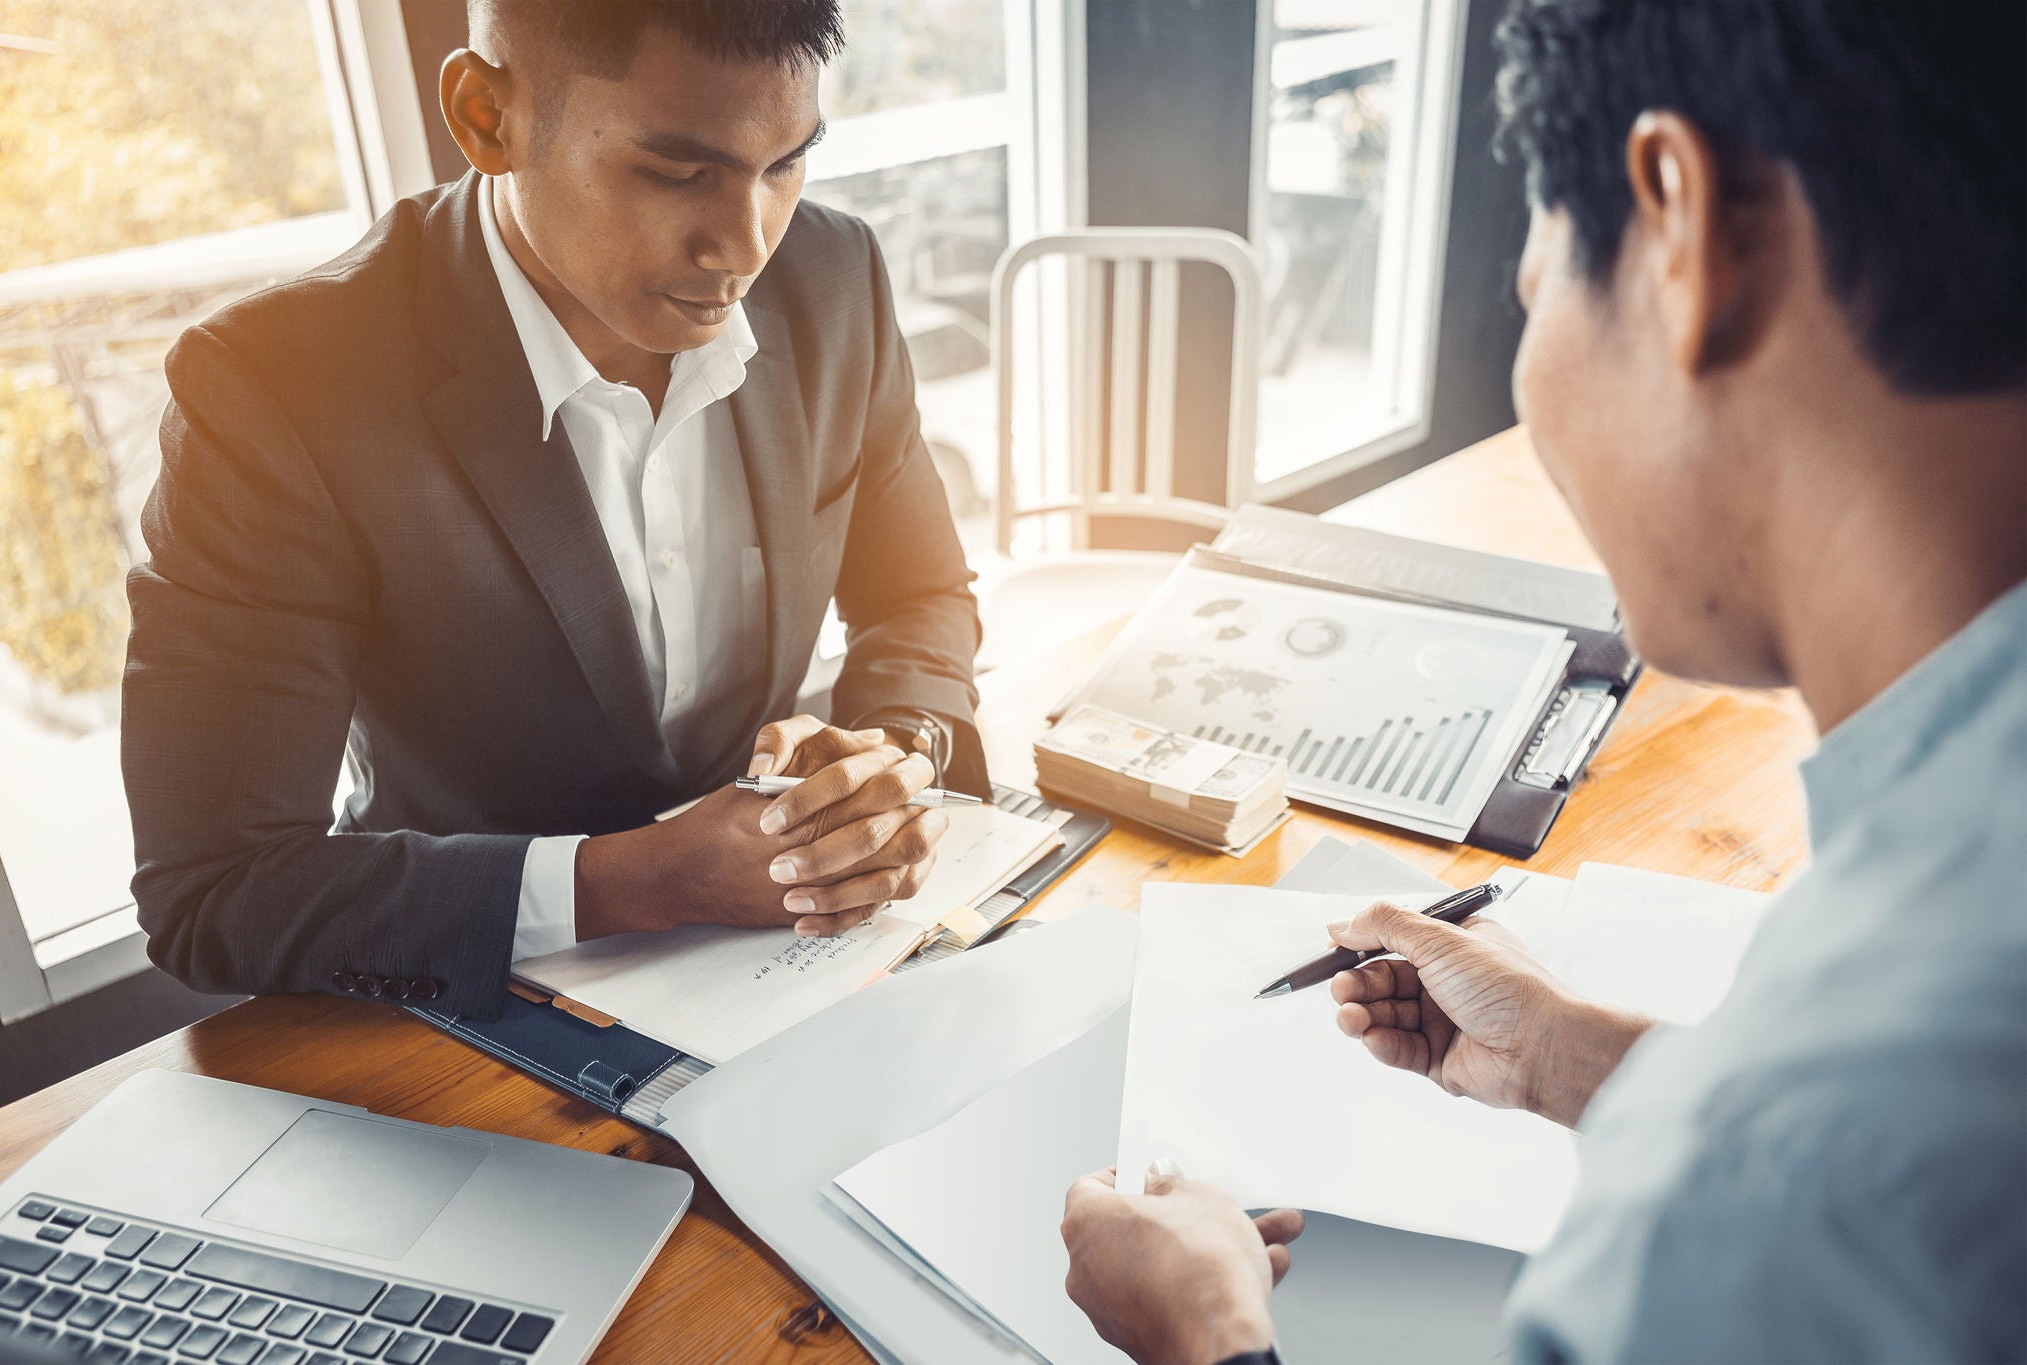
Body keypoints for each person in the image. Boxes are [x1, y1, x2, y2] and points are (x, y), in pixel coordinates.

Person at [1059, 1, 2026, 1361]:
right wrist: (1566, 1052)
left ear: (1684, 235)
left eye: (1534, 290)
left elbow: (1818, 1177)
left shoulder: (1771, 1186)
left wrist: (1211, 1339)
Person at [122, 0, 989, 1020]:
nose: (744, 246)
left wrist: (891, 754)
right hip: (465, 1000)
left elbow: (919, 594)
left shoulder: (835, 280)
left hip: (792, 967)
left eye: (785, 164)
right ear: (487, 116)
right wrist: (642, 880)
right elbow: (213, 889)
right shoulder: (276, 388)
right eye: (678, 173)